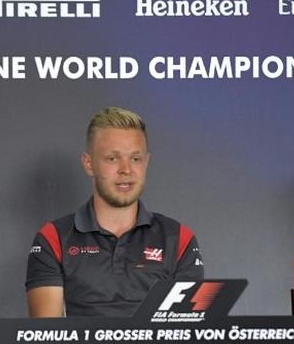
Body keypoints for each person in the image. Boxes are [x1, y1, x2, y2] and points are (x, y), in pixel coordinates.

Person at [25, 107, 204, 317]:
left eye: (135, 159)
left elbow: (189, 331)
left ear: (146, 162)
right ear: (89, 164)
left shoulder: (179, 238)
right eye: (113, 158)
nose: (126, 170)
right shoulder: (53, 238)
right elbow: (47, 335)